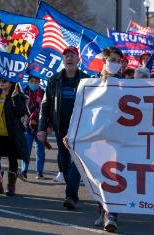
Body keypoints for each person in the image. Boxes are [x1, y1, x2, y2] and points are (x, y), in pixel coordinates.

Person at [38, 46, 88, 210]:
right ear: (63, 59)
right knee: (65, 162)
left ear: (78, 59)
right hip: (61, 129)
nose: (69, 58)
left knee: (76, 162)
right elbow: (45, 106)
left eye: (72, 55)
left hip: (80, 129)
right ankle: (71, 187)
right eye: (66, 56)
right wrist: (42, 128)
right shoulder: (54, 80)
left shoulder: (87, 81)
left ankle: (71, 196)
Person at [90, 46, 123, 232]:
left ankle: (112, 215)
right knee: (100, 176)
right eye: (112, 60)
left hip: (117, 137)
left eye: (118, 61)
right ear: (104, 61)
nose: (115, 64)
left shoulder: (124, 84)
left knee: (114, 176)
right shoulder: (92, 83)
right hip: (96, 138)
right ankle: (102, 211)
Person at [0, 78, 28, 197]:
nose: (1, 83)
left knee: (12, 159)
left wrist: (16, 97)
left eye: (4, 81)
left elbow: (21, 112)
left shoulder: (16, 95)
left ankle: (11, 186)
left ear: (11, 82)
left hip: (12, 134)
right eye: (0, 81)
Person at [19, 76, 46, 180]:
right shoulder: (23, 92)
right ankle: (23, 171)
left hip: (40, 126)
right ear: (28, 81)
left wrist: (43, 124)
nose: (33, 83)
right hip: (26, 126)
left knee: (40, 150)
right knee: (27, 149)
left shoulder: (43, 93)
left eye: (36, 81)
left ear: (39, 82)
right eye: (31, 81)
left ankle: (39, 172)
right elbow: (20, 108)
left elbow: (46, 110)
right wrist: (29, 119)